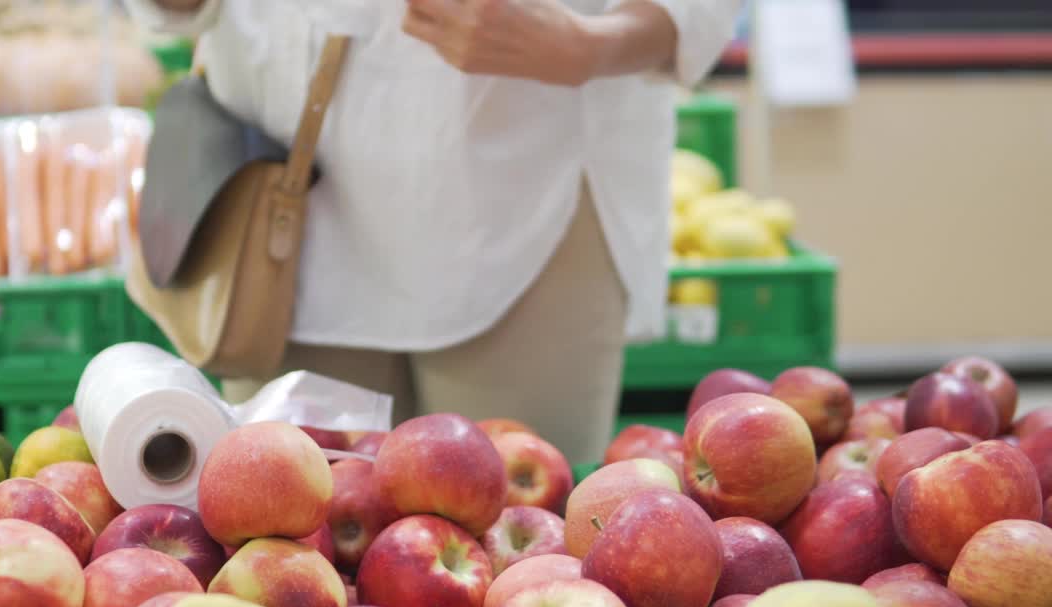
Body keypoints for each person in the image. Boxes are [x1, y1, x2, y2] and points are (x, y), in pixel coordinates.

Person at [124, 0, 743, 464]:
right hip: (276, 196)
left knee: (516, 559)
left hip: (524, 176)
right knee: (293, 553)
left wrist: (592, 44)